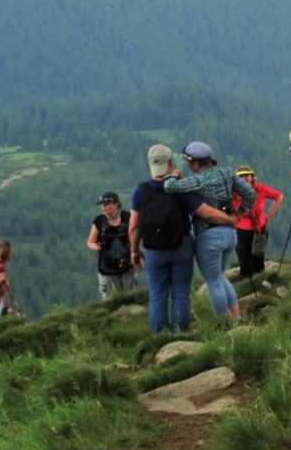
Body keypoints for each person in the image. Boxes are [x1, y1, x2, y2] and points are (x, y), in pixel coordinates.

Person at [130, 144, 238, 334]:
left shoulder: (141, 191)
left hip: (154, 251)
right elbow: (207, 213)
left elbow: (133, 226)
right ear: (170, 163)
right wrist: (230, 220)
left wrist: (134, 251)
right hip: (181, 247)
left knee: (157, 296)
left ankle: (160, 336)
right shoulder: (180, 189)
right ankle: (180, 332)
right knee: (180, 293)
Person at [162, 141, 256, 322]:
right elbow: (250, 194)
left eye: (188, 161)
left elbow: (169, 187)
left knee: (213, 282)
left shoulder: (199, 180)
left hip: (208, 235)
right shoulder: (227, 172)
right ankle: (236, 318)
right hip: (230, 233)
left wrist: (173, 175)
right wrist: (239, 213)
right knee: (220, 278)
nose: (187, 165)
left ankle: (224, 322)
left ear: (196, 163)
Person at [231, 165, 281, 278]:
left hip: (259, 229)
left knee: (258, 257)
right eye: (241, 176)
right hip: (242, 230)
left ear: (252, 176)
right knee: (244, 257)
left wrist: (270, 215)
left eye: (247, 175)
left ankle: (258, 280)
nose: (245, 178)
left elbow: (278, 197)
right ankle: (247, 281)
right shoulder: (233, 193)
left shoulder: (260, 189)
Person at [87, 191, 137, 298]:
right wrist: (95, 247)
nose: (103, 208)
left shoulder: (127, 217)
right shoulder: (99, 221)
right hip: (106, 267)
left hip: (127, 265)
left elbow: (135, 234)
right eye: (102, 205)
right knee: (109, 298)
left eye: (105, 205)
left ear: (115, 204)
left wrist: (136, 253)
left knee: (128, 296)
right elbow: (90, 241)